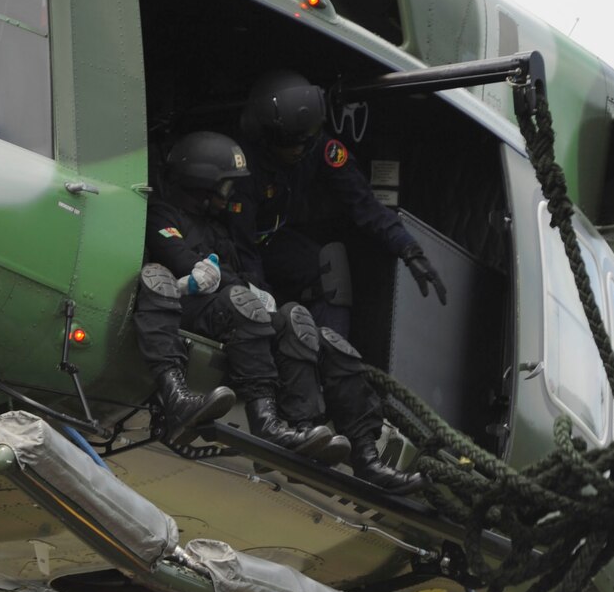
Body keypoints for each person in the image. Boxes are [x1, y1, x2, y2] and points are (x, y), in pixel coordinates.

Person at [236, 69, 448, 495]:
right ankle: (301, 404)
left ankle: (334, 369)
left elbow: (363, 204)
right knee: (265, 307)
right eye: (291, 143)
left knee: (329, 262)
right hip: (241, 248)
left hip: (277, 242)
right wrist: (257, 302)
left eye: (305, 141)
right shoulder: (245, 161)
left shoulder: (318, 147)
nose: (300, 149)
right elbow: (241, 244)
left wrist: (408, 248)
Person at [133, 130, 341, 459]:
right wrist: (237, 287)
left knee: (294, 321)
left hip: (222, 311)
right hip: (185, 308)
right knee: (241, 303)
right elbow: (181, 261)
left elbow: (233, 272)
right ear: (202, 183)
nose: (230, 196)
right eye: (226, 186)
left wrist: (250, 288)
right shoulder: (163, 214)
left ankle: (302, 425)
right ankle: (263, 420)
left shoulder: (217, 228)